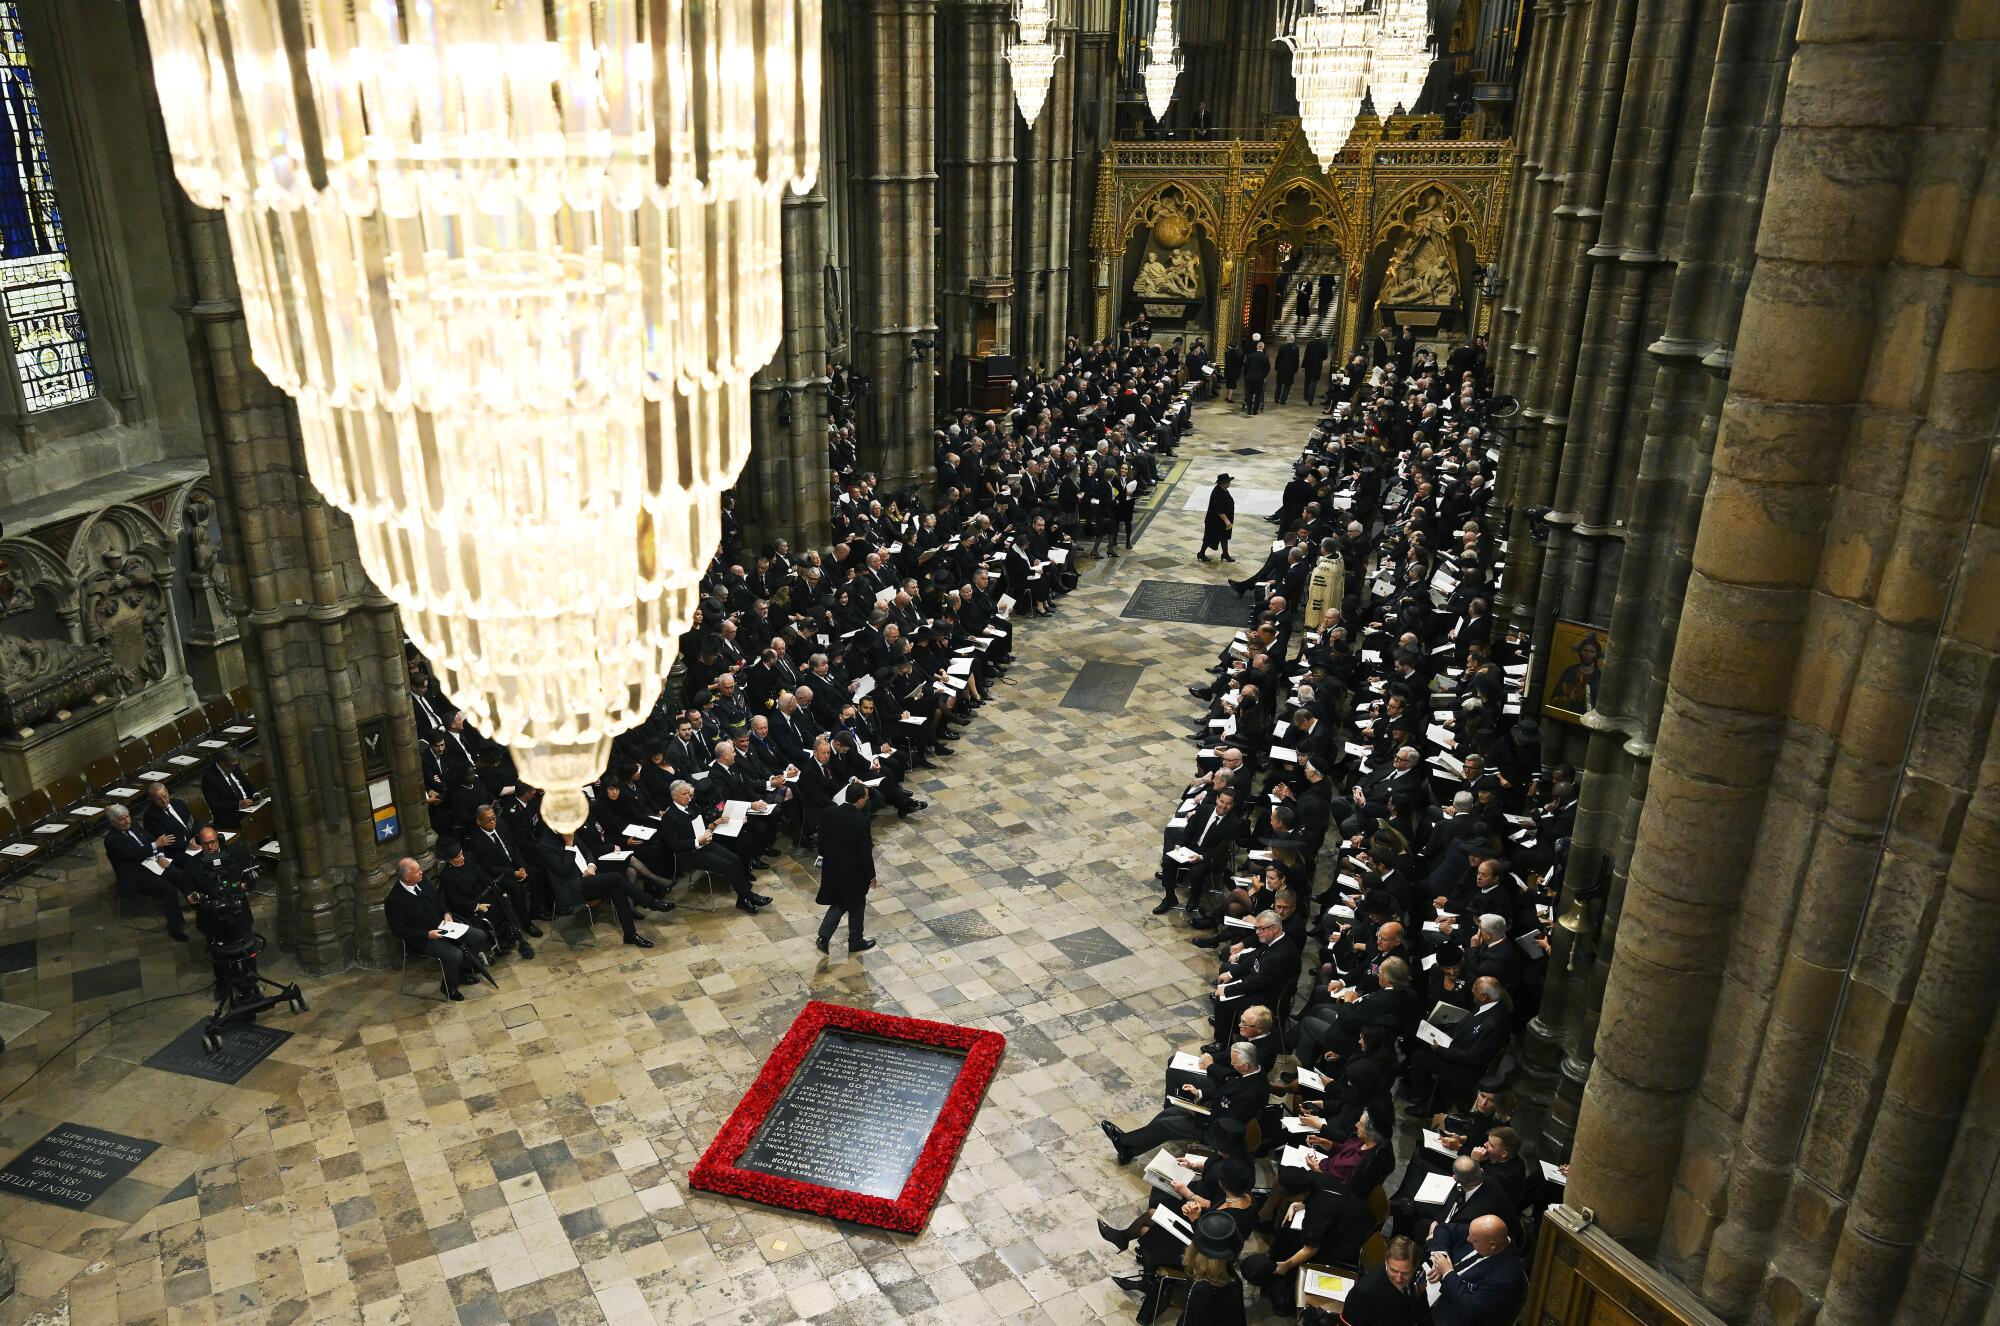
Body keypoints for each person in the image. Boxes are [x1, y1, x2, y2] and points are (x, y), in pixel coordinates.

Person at [383, 856, 495, 1001]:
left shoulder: (422, 881)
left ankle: (461, 972)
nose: (421, 872)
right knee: (455, 954)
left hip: (443, 925)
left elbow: (438, 899)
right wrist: (427, 934)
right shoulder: (394, 900)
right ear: (407, 877)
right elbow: (399, 930)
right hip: (422, 938)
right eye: (417, 871)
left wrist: (446, 913)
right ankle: (449, 986)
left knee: (478, 936)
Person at [104, 805, 194, 940]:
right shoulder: (111, 839)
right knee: (168, 889)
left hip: (153, 863)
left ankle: (196, 903)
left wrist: (161, 856)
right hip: (136, 873)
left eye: (128, 816)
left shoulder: (134, 825)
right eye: (122, 819)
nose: (127, 821)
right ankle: (175, 927)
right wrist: (156, 846)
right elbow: (134, 853)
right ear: (113, 822)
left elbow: (153, 840)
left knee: (181, 876)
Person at [1424, 1214, 1527, 1326]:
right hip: (1437, 1294)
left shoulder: (1506, 1279)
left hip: (1454, 1316)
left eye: (1474, 1240)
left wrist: (1447, 1273)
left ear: (1492, 1245)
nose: (1468, 1239)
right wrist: (1442, 1254)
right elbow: (1444, 1229)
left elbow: (1471, 1309)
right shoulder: (1479, 1233)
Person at [814, 781, 878, 955]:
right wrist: (871, 876)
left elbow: (821, 843)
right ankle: (855, 941)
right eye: (866, 797)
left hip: (832, 869)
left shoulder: (829, 813)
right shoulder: (861, 821)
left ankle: (824, 936)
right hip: (853, 873)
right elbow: (864, 853)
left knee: (842, 902)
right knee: (856, 903)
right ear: (859, 800)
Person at [1339, 1235, 1423, 1325]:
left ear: (1414, 1268)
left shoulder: (1416, 1278)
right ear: (1386, 1261)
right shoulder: (1363, 1293)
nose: (1399, 1279)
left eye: (1405, 1273)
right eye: (1394, 1271)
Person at [199, 747, 261, 831]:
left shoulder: (234, 767)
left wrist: (255, 794)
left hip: (249, 806)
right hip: (230, 814)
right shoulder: (209, 779)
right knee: (258, 819)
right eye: (232, 766)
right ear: (221, 763)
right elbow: (215, 805)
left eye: (236, 765)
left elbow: (247, 783)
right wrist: (238, 804)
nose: (235, 768)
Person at [141, 781, 199, 856]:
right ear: (152, 800)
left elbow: (193, 821)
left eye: (165, 796)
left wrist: (196, 836)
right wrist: (187, 844)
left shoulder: (179, 803)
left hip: (195, 840)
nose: (164, 801)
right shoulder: (150, 817)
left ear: (167, 792)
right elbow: (166, 841)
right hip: (178, 851)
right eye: (159, 800)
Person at [1198, 473, 1235, 563]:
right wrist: (1227, 521)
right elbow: (1219, 510)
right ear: (1223, 483)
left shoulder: (1224, 490)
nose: (1229, 483)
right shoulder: (1217, 493)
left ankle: (1225, 554)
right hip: (1215, 521)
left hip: (1222, 521)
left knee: (1224, 537)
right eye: (1228, 482)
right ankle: (1201, 553)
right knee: (1209, 538)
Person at [1242, 337, 1271, 415]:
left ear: (1257, 347)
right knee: (1258, 395)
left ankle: (1249, 410)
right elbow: (1268, 368)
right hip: (1259, 378)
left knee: (1249, 394)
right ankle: (1255, 411)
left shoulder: (1251, 355)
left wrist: (1245, 375)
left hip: (1249, 377)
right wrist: (1263, 375)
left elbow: (1246, 366)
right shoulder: (1265, 357)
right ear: (1263, 348)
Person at [1274, 338, 1300, 403]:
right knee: (1287, 386)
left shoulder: (1282, 347)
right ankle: (1283, 400)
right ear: (1293, 340)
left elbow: (1278, 358)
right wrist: (1296, 369)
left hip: (1281, 369)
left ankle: (1276, 399)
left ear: (1287, 340)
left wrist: (1276, 367)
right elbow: (1296, 360)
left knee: (1279, 385)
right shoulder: (1296, 348)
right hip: (1290, 370)